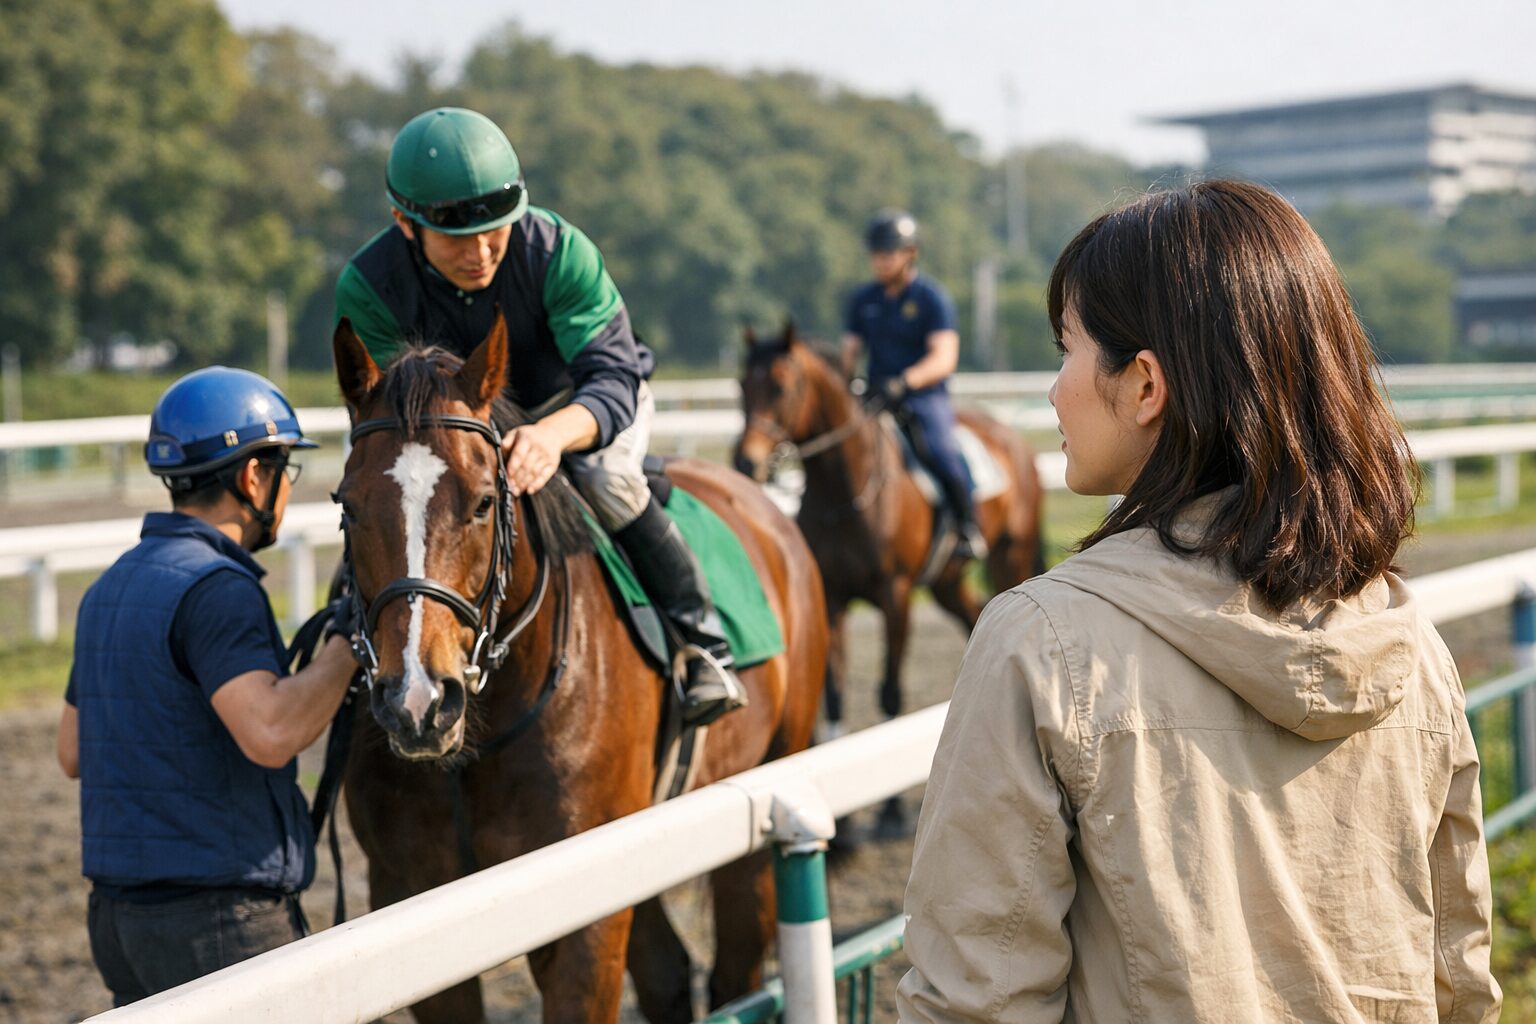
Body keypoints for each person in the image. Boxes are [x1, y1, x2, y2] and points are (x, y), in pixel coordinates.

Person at [897, 181, 1501, 1022]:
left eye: (1065, 350)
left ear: (1145, 385)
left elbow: (976, 1001)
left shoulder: (1039, 640)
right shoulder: (1414, 648)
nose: (1053, 390)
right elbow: (1458, 979)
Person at [334, 106, 742, 725]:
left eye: (496, 229)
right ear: (404, 223)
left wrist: (552, 437)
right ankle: (355, 649)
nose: (481, 251)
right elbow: (389, 420)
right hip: (455, 435)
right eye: (456, 237)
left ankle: (700, 642)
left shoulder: (560, 252)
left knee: (610, 481)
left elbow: (613, 377)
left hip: (581, 407)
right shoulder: (368, 285)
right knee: (391, 506)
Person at [55, 367, 358, 1007]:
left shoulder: (107, 588)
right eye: (283, 471)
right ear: (254, 476)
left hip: (117, 922)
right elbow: (270, 733)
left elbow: (72, 752)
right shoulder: (219, 589)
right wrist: (347, 649)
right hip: (220, 924)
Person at [841, 208, 985, 560]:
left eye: (888, 253)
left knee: (940, 451)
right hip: (875, 394)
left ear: (911, 253)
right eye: (876, 254)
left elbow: (943, 358)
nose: (881, 261)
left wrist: (904, 382)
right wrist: (845, 385)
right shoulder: (863, 300)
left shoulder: (931, 299)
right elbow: (849, 352)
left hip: (922, 397)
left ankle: (968, 527)